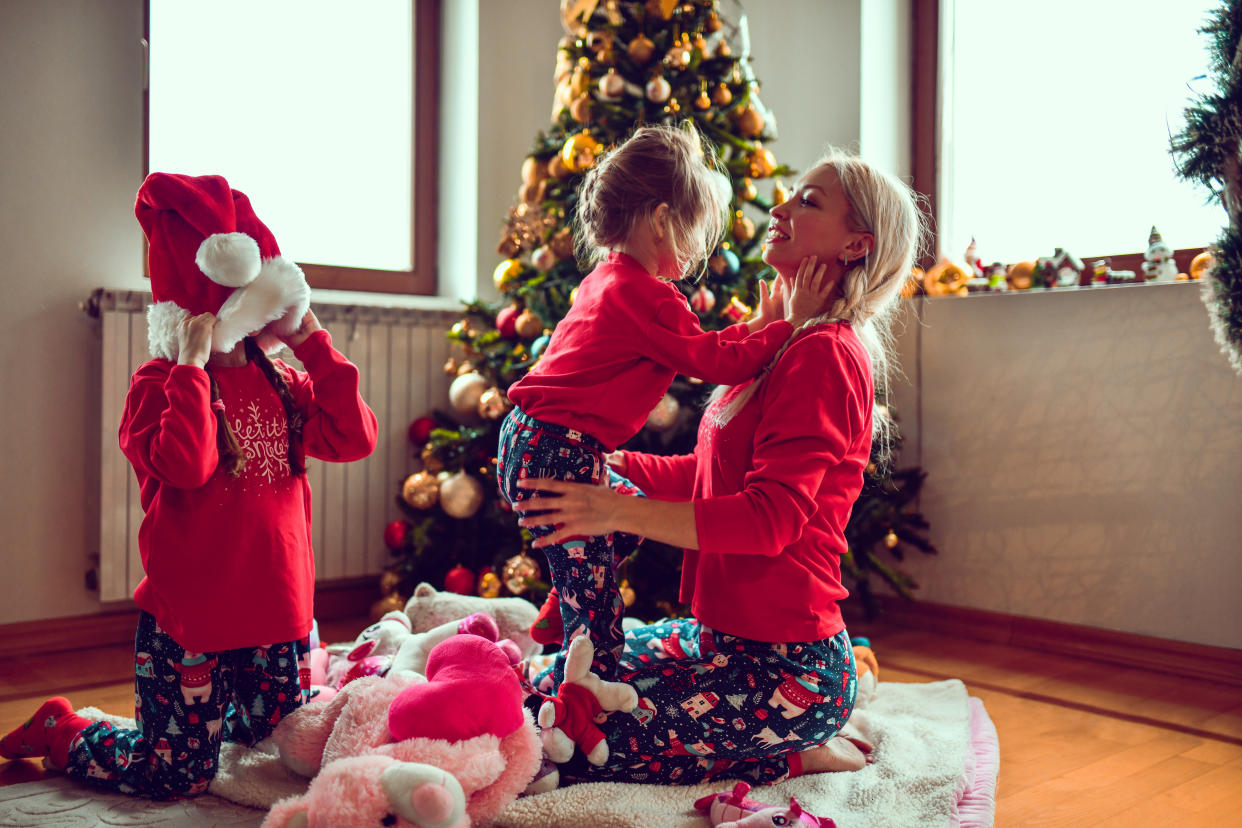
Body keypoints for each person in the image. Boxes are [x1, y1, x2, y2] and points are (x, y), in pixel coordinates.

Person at [513, 146, 924, 786]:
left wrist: (616, 509)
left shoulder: (824, 355)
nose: (780, 207)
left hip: (788, 668)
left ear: (855, 246)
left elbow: (770, 521)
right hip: (719, 639)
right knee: (555, 675)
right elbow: (705, 476)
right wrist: (610, 467)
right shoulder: (778, 343)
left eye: (809, 201)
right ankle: (765, 742)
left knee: (574, 729)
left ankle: (786, 749)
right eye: (789, 193)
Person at [0, 173, 378, 798]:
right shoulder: (158, 384)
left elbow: (355, 437)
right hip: (191, 625)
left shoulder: (284, 380)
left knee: (278, 749)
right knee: (175, 775)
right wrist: (194, 365)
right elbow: (187, 465)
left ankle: (209, 719)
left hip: (279, 617)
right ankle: (66, 732)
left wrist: (311, 342)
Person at [498, 123, 830, 691]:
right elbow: (716, 361)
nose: (699, 245)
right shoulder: (647, 294)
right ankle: (583, 705)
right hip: (561, 448)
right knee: (600, 615)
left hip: (528, 437)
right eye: (694, 228)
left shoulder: (607, 279)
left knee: (622, 516)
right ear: (659, 219)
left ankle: (565, 588)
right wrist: (787, 326)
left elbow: (704, 345)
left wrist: (760, 325)